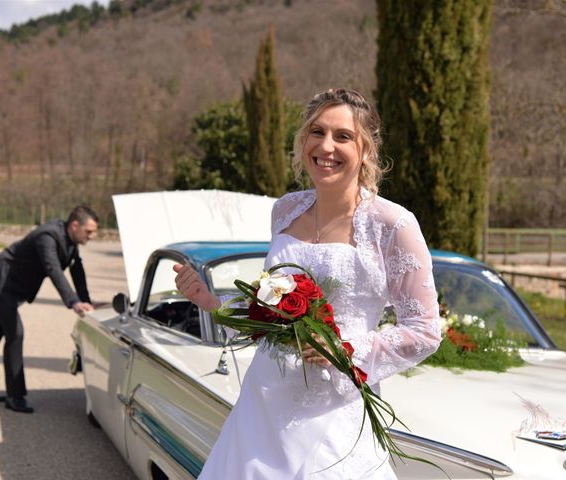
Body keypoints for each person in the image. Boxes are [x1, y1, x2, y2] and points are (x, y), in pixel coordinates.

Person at [174, 88, 442, 479]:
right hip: (264, 402)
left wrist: (343, 349)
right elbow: (272, 304)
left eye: (343, 136)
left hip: (335, 408)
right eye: (316, 132)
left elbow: (425, 331)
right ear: (303, 141)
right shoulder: (285, 209)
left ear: (366, 149)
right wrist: (212, 300)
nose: (326, 146)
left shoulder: (393, 224)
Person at [0, 205, 99, 413]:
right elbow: (52, 268)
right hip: (1, 281)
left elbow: (77, 271)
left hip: (10, 287)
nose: (92, 236)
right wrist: (73, 302)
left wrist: (87, 302)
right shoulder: (47, 236)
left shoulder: (71, 242)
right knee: (15, 334)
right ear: (75, 225)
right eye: (89, 231)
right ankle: (15, 397)